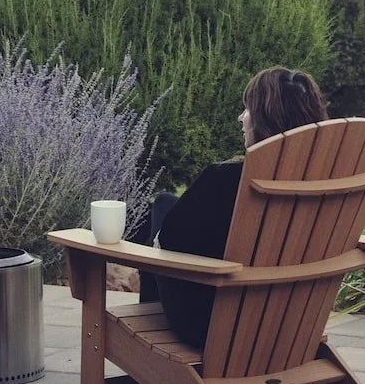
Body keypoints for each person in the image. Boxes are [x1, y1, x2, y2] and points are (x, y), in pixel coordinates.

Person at [139, 67, 329, 351]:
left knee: (163, 209)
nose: (241, 118)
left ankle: (143, 374)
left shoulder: (225, 180)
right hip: (290, 326)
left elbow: (166, 246)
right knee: (167, 202)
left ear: (267, 119)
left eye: (248, 109)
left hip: (209, 325)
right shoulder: (326, 186)